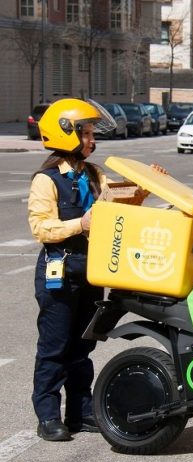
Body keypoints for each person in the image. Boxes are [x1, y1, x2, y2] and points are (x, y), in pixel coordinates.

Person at [28, 98, 165, 441]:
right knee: (54, 347)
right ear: (64, 133)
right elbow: (41, 229)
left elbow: (114, 207)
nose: (92, 140)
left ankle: (80, 411)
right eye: (86, 133)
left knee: (82, 347)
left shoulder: (94, 174)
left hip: (91, 270)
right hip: (59, 269)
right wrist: (80, 223)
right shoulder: (46, 180)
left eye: (91, 133)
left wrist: (144, 190)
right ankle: (48, 417)